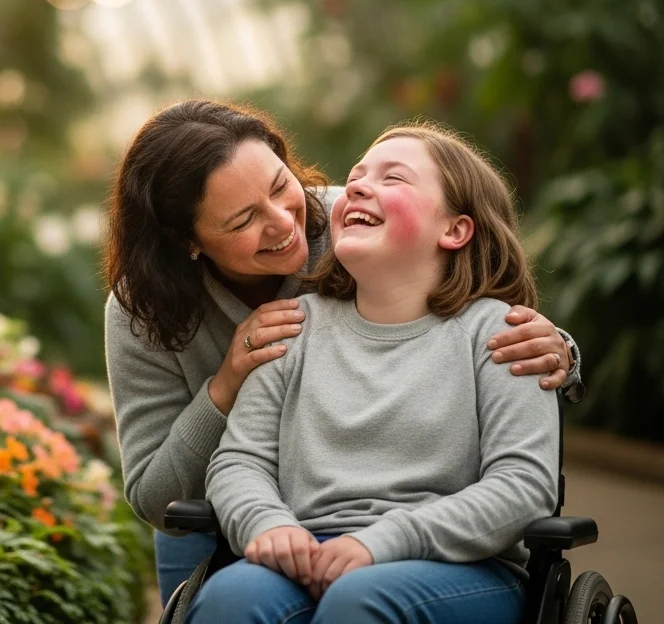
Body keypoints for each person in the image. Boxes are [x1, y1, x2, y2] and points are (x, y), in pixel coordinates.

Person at [103, 101, 582, 606]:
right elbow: (172, 492)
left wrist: (559, 353)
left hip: (439, 551)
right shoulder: (150, 311)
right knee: (226, 600)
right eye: (244, 219)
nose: (284, 222)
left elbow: (473, 276)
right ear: (188, 242)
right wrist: (227, 386)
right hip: (246, 516)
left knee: (357, 598)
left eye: (281, 185)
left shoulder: (348, 220)